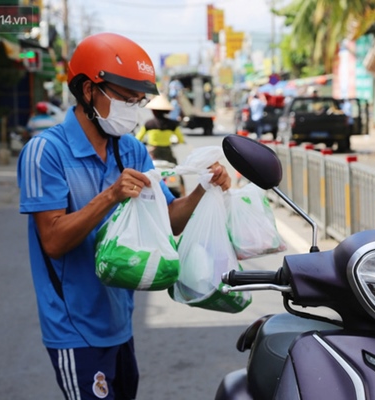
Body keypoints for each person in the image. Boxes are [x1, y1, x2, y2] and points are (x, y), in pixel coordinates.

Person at [16, 32, 230, 400]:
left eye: (138, 99)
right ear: (88, 91)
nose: (134, 107)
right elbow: (52, 241)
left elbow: (169, 222)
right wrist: (111, 195)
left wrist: (203, 190)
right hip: (74, 328)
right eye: (125, 97)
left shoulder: (130, 149)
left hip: (119, 322)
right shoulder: (45, 152)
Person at [136, 94, 185, 164]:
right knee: (175, 169)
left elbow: (138, 138)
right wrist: (178, 142)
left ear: (153, 111)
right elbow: (181, 139)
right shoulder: (172, 124)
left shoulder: (149, 123)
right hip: (167, 151)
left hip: (153, 150)